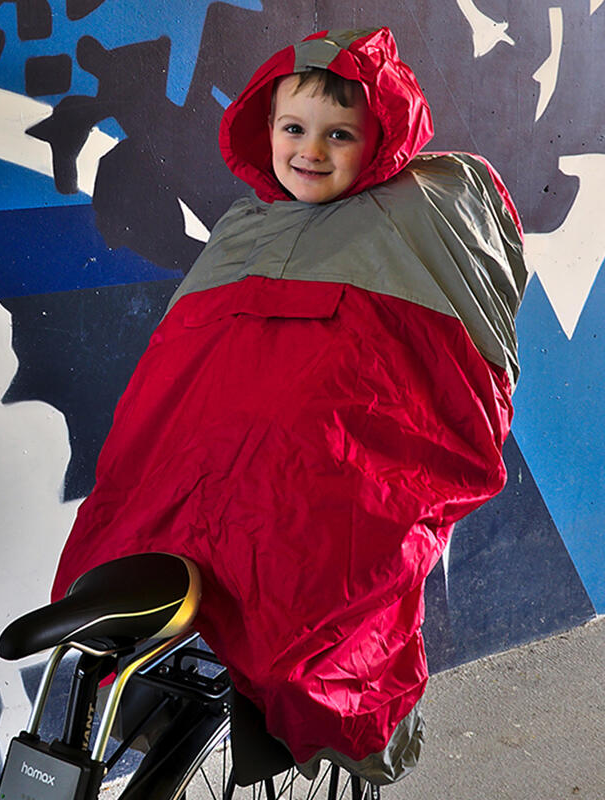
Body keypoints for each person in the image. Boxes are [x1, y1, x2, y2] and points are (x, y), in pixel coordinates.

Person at [51, 27, 527, 784]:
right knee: (114, 564)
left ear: (379, 140)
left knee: (307, 588)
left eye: (340, 134)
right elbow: (170, 383)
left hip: (311, 491)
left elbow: (432, 393)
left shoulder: (418, 219)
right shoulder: (245, 229)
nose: (311, 150)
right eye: (294, 128)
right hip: (195, 477)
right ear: (264, 130)